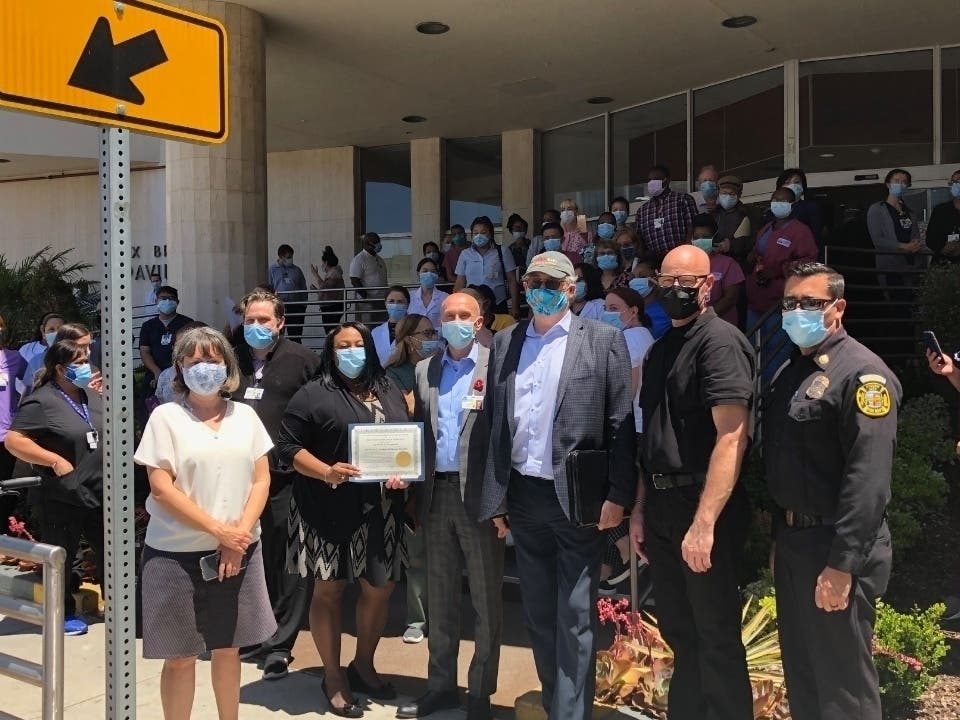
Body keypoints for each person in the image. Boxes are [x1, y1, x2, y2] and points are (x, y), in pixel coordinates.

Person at [480, 251, 635, 720]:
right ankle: (558, 704)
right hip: (524, 497)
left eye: (550, 281)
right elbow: (495, 425)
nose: (538, 289)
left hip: (578, 498)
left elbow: (620, 424)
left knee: (574, 615)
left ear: (571, 289)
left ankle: (570, 714)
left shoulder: (604, 340)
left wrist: (619, 496)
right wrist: (497, 497)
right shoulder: (506, 342)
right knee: (539, 615)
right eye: (531, 282)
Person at [764, 263, 900, 720]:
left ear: (838, 309)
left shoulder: (863, 376)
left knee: (843, 690)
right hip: (796, 543)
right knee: (803, 675)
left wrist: (841, 566)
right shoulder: (791, 369)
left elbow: (867, 482)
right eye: (789, 303)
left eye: (810, 303)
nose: (797, 311)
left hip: (836, 549)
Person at [632, 244, 756, 720]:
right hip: (662, 507)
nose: (674, 291)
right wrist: (642, 509)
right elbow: (653, 439)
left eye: (686, 283)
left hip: (702, 506)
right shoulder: (662, 348)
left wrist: (704, 523)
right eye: (666, 281)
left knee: (716, 636)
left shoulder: (720, 343)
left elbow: (732, 436)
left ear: (708, 286)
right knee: (681, 634)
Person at [134, 326, 276, 720]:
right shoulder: (166, 417)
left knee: (229, 649)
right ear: (180, 367)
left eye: (213, 360)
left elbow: (261, 479)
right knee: (180, 658)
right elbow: (161, 488)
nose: (204, 368)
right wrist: (221, 532)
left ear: (227, 366)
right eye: (194, 360)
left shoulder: (245, 416)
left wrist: (238, 537)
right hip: (175, 555)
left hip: (240, 551)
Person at [277, 322, 410, 718]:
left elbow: (404, 439)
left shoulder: (387, 389)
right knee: (329, 591)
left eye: (358, 345)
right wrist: (325, 471)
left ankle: (363, 665)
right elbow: (286, 447)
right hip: (327, 508)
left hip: (383, 510)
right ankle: (333, 676)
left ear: (369, 348)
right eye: (342, 347)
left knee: (380, 588)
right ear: (331, 354)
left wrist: (405, 470)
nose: (351, 352)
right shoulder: (313, 393)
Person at [398, 292, 503, 720]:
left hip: (478, 496)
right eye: (449, 316)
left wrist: (501, 501)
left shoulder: (496, 367)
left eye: (465, 315)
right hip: (435, 494)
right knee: (440, 598)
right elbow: (419, 433)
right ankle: (440, 687)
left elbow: (504, 436)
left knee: (485, 599)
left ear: (479, 322)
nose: (456, 321)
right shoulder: (426, 369)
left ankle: (480, 693)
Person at [230, 291, 321, 680]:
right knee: (254, 557)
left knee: (290, 562)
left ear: (280, 322)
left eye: (264, 320)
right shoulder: (230, 358)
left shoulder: (303, 361)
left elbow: (319, 412)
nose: (256, 327)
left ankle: (280, 644)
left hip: (287, 479)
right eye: (250, 319)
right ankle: (257, 633)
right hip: (239, 481)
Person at [6, 336, 104, 636]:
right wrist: (53, 460)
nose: (86, 366)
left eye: (87, 360)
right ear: (61, 369)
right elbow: (14, 440)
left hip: (99, 491)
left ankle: (120, 605)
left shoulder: (90, 394)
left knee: (108, 551)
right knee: (64, 557)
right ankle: (62, 613)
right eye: (79, 363)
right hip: (62, 494)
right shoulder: (43, 400)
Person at [597, 287, 654, 595]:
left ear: (633, 310)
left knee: (610, 495)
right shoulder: (643, 336)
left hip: (631, 428)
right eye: (605, 306)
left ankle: (624, 548)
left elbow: (628, 386)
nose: (607, 312)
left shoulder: (631, 338)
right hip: (640, 426)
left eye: (614, 306)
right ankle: (609, 566)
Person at [746, 187, 818, 381]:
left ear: (792, 205)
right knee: (753, 352)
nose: (778, 203)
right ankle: (755, 393)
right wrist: (753, 257)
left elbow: (808, 263)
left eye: (783, 200)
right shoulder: (765, 229)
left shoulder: (800, 231)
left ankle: (773, 395)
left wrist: (777, 270)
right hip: (756, 301)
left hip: (780, 302)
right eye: (775, 199)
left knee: (777, 355)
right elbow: (758, 252)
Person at [453, 216, 520, 319]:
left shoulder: (503, 252)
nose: (479, 236)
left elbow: (512, 281)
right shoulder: (465, 254)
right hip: (472, 305)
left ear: (491, 234)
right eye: (475, 233)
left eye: (483, 232)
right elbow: (460, 283)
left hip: (498, 304)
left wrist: (515, 307)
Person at [690, 214, 745, 328]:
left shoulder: (728, 264)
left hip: (723, 327)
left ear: (714, 238)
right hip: (694, 327)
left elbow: (730, 299)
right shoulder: (686, 264)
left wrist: (706, 318)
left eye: (705, 237)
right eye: (696, 237)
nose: (700, 240)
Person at [139, 286, 195, 397]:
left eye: (171, 298)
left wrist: (174, 374)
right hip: (154, 376)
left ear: (177, 302)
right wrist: (157, 373)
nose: (167, 301)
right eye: (163, 298)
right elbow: (144, 351)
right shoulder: (148, 326)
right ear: (156, 301)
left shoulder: (187, 323)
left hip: (179, 377)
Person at [635, 165, 698, 261]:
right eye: (650, 180)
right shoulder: (642, 211)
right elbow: (639, 238)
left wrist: (687, 250)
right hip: (654, 264)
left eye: (656, 179)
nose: (651, 182)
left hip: (682, 258)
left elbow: (693, 227)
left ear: (667, 180)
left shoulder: (683, 200)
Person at [0, 313, 27, 518]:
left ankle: (3, 530)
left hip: (5, 435)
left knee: (4, 483)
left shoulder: (14, 358)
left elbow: (32, 383)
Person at [384, 312, 439, 414]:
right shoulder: (392, 373)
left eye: (434, 332)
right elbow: (408, 409)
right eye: (427, 333)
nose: (433, 338)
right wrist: (427, 369)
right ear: (409, 339)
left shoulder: (443, 365)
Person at [268, 244, 309, 344]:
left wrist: (303, 306)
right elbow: (269, 288)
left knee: (295, 336)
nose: (291, 259)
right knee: (278, 336)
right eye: (288, 257)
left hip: (296, 307)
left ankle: (296, 358)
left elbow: (303, 287)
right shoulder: (272, 270)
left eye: (291, 257)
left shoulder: (297, 270)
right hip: (280, 307)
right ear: (281, 257)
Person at [350, 233, 390, 324]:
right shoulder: (359, 259)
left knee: (382, 328)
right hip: (367, 303)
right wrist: (366, 297)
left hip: (382, 301)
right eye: (376, 242)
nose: (379, 245)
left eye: (379, 241)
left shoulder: (380, 260)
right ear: (368, 244)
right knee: (368, 329)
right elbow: (354, 280)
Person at [712, 175, 752, 264]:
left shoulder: (748, 214)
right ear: (718, 193)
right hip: (716, 262)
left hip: (738, 263)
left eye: (731, 194)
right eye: (724, 193)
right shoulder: (714, 214)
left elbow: (753, 241)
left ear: (739, 195)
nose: (727, 197)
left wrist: (731, 245)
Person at [630, 260, 672, 340]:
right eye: (633, 277)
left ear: (657, 277)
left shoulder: (669, 311)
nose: (635, 281)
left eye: (642, 277)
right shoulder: (629, 310)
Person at [926, 169, 960, 265]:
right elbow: (930, 239)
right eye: (953, 182)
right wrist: (942, 249)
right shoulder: (940, 210)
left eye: (959, 181)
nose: (956, 185)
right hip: (943, 265)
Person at [310, 245, 347, 333]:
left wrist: (315, 274)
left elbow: (325, 287)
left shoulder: (334, 272)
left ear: (326, 263)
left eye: (323, 263)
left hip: (332, 307)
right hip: (329, 306)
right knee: (329, 331)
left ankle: (332, 346)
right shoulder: (331, 273)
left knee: (331, 331)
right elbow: (327, 291)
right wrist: (316, 290)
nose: (322, 265)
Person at [372, 286, 411, 365]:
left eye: (400, 302)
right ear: (385, 303)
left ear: (407, 304)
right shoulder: (376, 332)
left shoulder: (415, 329)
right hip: (382, 375)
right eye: (391, 301)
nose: (395, 305)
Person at [409, 258, 449, 330]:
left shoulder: (445, 297)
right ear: (418, 274)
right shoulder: (409, 296)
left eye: (433, 271)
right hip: (414, 339)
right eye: (425, 271)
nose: (429, 274)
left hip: (437, 339)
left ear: (437, 275)